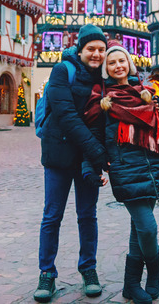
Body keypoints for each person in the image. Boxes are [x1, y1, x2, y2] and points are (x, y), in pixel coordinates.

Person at [83, 41, 159, 304]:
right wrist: (91, 168)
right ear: (106, 69)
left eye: (121, 61)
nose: (117, 66)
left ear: (129, 64)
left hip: (154, 168)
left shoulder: (146, 94)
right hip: (125, 171)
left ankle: (131, 284)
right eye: (111, 63)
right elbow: (94, 138)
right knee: (148, 228)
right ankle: (155, 270)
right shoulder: (103, 102)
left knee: (139, 229)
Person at [34, 24, 108, 302]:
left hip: (89, 159)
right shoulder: (62, 70)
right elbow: (66, 115)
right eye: (91, 48)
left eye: (101, 49)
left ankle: (89, 269)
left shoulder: (105, 76)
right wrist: (98, 153)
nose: (97, 54)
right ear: (81, 49)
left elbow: (125, 98)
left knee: (87, 216)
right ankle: (47, 275)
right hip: (59, 155)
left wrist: (152, 101)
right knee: (52, 216)